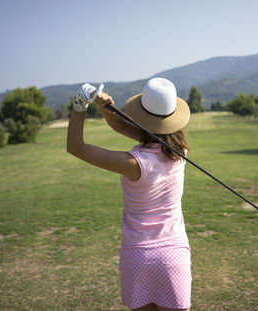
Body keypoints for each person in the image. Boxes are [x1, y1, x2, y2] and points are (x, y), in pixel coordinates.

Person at [67, 78, 192, 311]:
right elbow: (127, 128)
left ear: (141, 115)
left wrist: (79, 105)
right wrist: (106, 109)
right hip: (174, 256)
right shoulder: (181, 149)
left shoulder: (133, 163)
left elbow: (76, 147)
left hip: (138, 255)